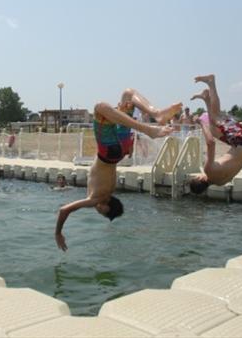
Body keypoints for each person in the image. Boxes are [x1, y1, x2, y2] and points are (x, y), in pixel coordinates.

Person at [55, 88, 182, 251]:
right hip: (108, 152)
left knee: (128, 95)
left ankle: (157, 113)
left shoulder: (109, 190)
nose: (98, 211)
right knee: (100, 107)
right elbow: (64, 210)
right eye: (103, 212)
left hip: (120, 151)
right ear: (106, 205)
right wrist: (58, 233)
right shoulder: (96, 199)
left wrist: (117, 113)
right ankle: (149, 128)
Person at [187, 74, 242, 194]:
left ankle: (206, 98)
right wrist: (201, 123)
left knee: (214, 129)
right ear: (200, 179)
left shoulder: (221, 182)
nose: (199, 174)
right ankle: (211, 82)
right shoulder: (208, 170)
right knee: (216, 116)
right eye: (197, 176)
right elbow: (211, 143)